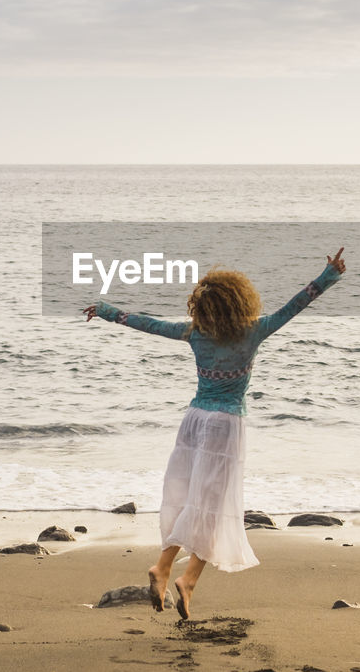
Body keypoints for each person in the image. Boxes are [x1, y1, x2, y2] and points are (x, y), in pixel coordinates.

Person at [82, 247, 346, 619]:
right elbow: (294, 306)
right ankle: (185, 579)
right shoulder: (255, 330)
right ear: (239, 301)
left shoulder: (195, 333)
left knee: (189, 497)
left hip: (194, 420)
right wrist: (329, 275)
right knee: (212, 505)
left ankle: (165, 567)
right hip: (225, 426)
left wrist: (107, 311)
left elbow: (148, 323)